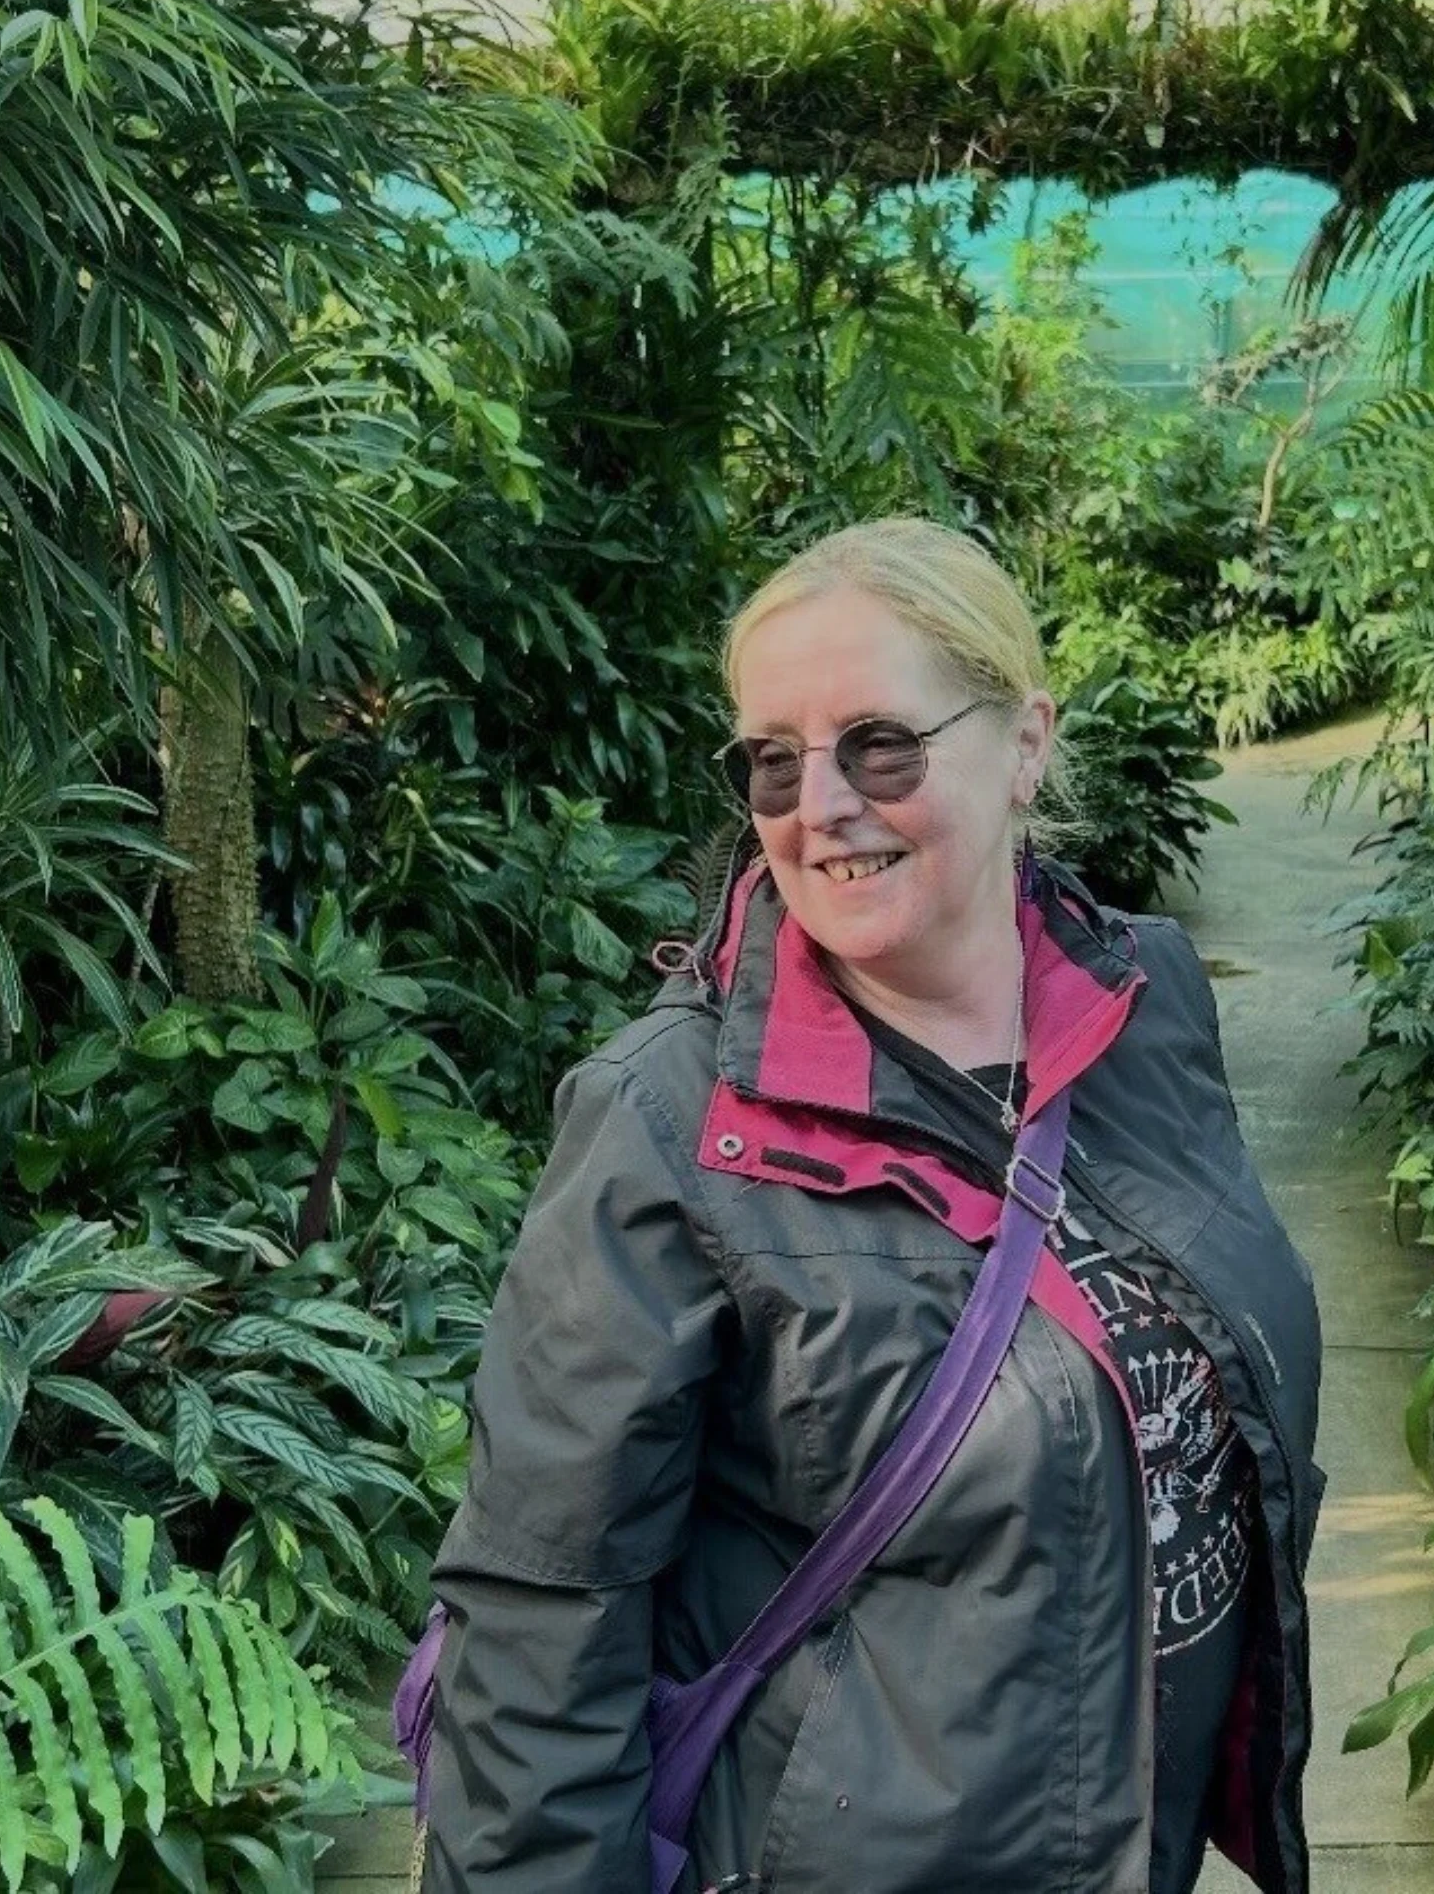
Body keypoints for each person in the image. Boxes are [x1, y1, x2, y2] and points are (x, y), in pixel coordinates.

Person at [419, 518, 1325, 1893]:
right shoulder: (667, 1123)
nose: (818, 802)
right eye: (771, 760)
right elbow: (539, 1624)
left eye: (879, 746)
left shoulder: (1143, 998)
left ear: (1025, 743)